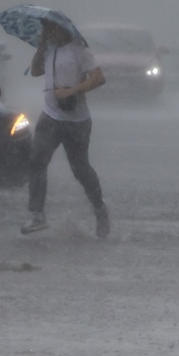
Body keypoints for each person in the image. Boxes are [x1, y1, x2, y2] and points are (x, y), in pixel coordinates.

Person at [23, 19, 109, 237]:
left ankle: (100, 209)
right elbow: (35, 71)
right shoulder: (49, 48)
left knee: (80, 168)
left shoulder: (79, 49)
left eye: (48, 28)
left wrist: (72, 92)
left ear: (60, 28)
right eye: (43, 29)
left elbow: (99, 78)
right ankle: (37, 215)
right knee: (37, 161)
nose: (46, 32)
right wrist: (41, 46)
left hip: (77, 121)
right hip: (50, 116)